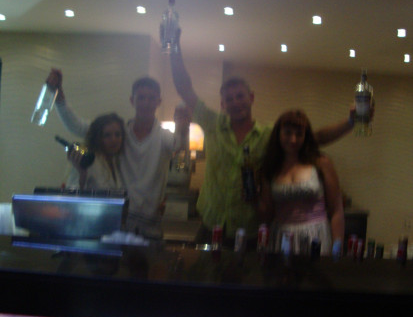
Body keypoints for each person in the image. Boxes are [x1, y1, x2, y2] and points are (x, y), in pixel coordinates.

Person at [168, 32, 354, 248]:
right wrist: (173, 44)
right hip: (211, 225)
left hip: (249, 231)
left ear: (251, 98)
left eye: (240, 96)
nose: (236, 102)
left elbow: (314, 138)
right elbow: (184, 87)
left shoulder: (269, 135)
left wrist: (351, 122)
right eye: (229, 99)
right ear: (222, 104)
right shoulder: (212, 124)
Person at [46, 69, 189, 238]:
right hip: (119, 224)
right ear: (132, 100)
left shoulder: (163, 137)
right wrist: (58, 95)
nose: (146, 103)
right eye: (141, 97)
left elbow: (179, 154)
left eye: (151, 98)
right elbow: (77, 126)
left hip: (149, 226)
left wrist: (182, 127)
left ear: (158, 102)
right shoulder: (121, 133)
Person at [259, 109, 344, 255]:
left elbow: (336, 209)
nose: (293, 139)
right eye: (287, 133)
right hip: (281, 237)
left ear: (306, 136)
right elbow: (267, 214)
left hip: (316, 236)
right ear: (278, 134)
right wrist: (254, 199)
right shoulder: (270, 166)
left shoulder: (321, 162)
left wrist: (338, 243)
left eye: (299, 134)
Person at [65, 112, 125, 191]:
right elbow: (71, 194)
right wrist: (82, 175)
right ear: (97, 137)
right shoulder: (87, 160)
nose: (113, 140)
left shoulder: (116, 161)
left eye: (117, 134)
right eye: (107, 135)